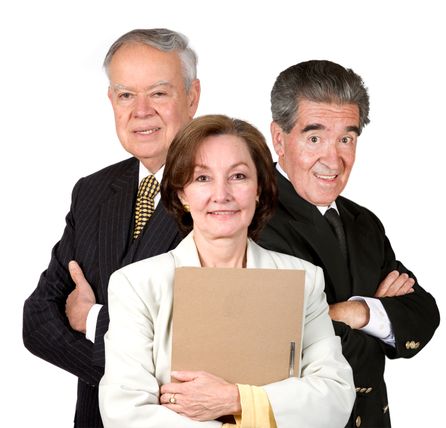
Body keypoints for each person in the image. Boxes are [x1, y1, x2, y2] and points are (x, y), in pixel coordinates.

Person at [99, 114, 355, 428]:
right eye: (202, 178)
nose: (222, 194)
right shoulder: (138, 285)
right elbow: (125, 413)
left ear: (260, 187)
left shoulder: (302, 280)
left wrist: (235, 399)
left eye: (238, 176)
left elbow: (335, 398)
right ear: (182, 193)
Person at [22, 28, 201, 427]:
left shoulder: (229, 193)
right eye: (126, 95)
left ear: (192, 97)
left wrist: (93, 321)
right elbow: (36, 320)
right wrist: (137, 385)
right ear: (111, 101)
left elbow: (202, 345)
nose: (141, 111)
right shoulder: (93, 191)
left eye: (158, 93)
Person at [258, 60, 440, 427]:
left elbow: (424, 314)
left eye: (346, 138)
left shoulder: (363, 222)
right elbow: (274, 345)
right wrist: (382, 313)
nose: (333, 158)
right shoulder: (252, 219)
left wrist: (357, 312)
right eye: (314, 138)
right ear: (279, 138)